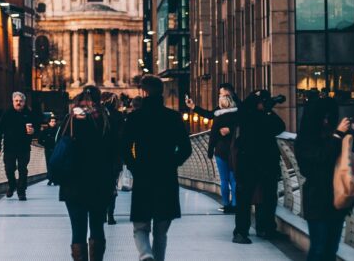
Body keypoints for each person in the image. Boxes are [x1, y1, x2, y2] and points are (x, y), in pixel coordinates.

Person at [122, 75, 193, 261]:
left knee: (140, 227)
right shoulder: (173, 117)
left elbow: (124, 147)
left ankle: (146, 255)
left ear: (143, 92)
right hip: (166, 177)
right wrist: (172, 163)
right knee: (161, 232)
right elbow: (186, 148)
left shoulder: (135, 118)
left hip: (143, 176)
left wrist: (134, 166)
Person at [58, 85, 119, 261]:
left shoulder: (70, 120)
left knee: (77, 231)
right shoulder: (106, 121)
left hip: (73, 184)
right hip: (100, 183)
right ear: (99, 100)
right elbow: (116, 150)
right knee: (97, 228)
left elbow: (58, 146)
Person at [297, 97, 354, 261]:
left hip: (336, 198)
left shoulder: (332, 135)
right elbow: (321, 158)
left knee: (331, 249)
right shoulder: (305, 140)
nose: (326, 121)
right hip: (317, 199)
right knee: (318, 248)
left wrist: (351, 135)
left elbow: (346, 157)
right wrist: (338, 135)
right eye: (323, 117)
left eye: (328, 117)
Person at [231, 89, 287, 244]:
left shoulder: (257, 114)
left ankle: (264, 228)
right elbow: (276, 126)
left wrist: (267, 110)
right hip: (251, 163)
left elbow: (280, 126)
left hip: (262, 163)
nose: (265, 104)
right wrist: (267, 112)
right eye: (263, 102)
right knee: (246, 198)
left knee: (267, 197)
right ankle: (242, 232)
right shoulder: (246, 115)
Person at [185, 83, 240, 213]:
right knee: (233, 179)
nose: (219, 96)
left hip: (221, 150)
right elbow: (242, 125)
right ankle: (236, 204)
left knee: (223, 179)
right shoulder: (239, 111)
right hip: (235, 149)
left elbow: (213, 134)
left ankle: (226, 204)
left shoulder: (219, 115)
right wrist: (194, 107)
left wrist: (210, 152)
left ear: (227, 94)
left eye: (221, 94)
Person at [0, 91, 38, 200]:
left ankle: (21, 192)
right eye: (16, 101)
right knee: (9, 168)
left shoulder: (29, 113)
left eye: (21, 101)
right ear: (13, 102)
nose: (18, 103)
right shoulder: (7, 114)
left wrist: (33, 132)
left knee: (23, 169)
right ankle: (12, 185)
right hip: (9, 147)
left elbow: (37, 128)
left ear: (24, 102)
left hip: (24, 147)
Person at [101, 91, 125, 225]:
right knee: (112, 186)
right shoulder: (119, 116)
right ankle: (110, 214)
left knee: (100, 186)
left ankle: (102, 213)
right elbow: (123, 137)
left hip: (99, 158)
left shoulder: (96, 115)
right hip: (114, 157)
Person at [41, 115, 59, 186]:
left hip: (56, 150)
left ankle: (53, 179)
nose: (53, 123)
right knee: (49, 164)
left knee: (55, 164)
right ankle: (51, 179)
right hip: (48, 149)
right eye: (52, 121)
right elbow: (40, 140)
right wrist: (46, 144)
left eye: (54, 121)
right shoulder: (45, 131)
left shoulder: (58, 131)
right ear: (49, 122)